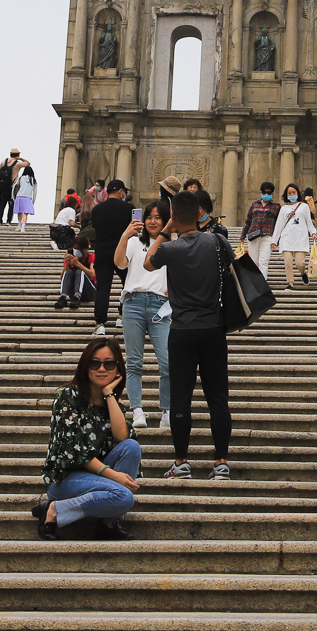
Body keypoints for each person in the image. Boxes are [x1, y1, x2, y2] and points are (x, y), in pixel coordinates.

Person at [143, 191, 233, 480]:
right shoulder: (217, 242)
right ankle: (221, 462)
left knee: (181, 397)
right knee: (218, 398)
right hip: (213, 328)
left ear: (172, 216)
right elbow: (233, 265)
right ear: (199, 213)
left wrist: (165, 231)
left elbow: (147, 263)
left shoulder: (170, 249)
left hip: (181, 330)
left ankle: (181, 462)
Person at [37, 338, 141, 540]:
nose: (101, 369)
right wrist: (114, 475)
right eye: (95, 363)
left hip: (97, 479)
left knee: (131, 447)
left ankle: (108, 523)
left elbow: (122, 437)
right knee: (123, 497)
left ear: (117, 368)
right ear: (85, 366)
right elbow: (75, 451)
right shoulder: (68, 396)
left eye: (109, 364)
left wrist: (109, 395)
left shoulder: (111, 401)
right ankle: (53, 511)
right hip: (65, 480)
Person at [114, 203, 172, 430]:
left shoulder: (172, 245)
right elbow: (119, 263)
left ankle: (166, 410)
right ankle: (137, 410)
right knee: (134, 362)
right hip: (133, 302)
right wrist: (125, 235)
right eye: (149, 217)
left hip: (160, 304)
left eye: (158, 217)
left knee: (167, 361)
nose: (152, 221)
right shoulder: (134, 242)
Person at [89, 181, 135, 333]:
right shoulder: (130, 208)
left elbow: (95, 228)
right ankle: (122, 315)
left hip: (102, 252)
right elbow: (136, 229)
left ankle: (100, 323)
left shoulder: (97, 209)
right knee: (127, 285)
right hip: (123, 252)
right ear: (120, 191)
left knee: (103, 288)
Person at [271, 186, 317, 288]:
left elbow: (309, 222)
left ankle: (303, 273)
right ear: (286, 195)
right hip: (286, 238)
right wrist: (274, 240)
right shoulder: (283, 209)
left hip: (300, 238)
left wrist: (313, 232)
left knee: (299, 263)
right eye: (289, 193)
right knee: (288, 263)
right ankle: (290, 283)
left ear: (297, 193)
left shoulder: (304, 206)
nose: (292, 195)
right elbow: (279, 225)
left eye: (294, 192)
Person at [241, 182, 281, 271]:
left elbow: (279, 224)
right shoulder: (254, 205)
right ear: (261, 192)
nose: (266, 194)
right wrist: (243, 235)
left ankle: (262, 280)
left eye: (269, 193)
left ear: (272, 193)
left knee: (264, 261)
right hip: (253, 235)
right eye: (264, 192)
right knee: (253, 262)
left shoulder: (276, 206)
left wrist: (277, 239)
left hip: (267, 236)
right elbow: (248, 221)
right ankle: (254, 279)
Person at [57, 245, 96, 310]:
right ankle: (63, 297)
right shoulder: (70, 260)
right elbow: (62, 278)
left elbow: (92, 274)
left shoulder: (90, 256)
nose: (76, 251)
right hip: (73, 294)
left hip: (89, 292)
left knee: (79, 272)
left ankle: (77, 296)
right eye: (74, 248)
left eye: (78, 249)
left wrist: (78, 264)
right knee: (68, 272)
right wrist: (66, 264)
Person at [0, 150, 22, 226]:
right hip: (12, 187)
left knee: (1, 204)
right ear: (18, 155)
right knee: (11, 204)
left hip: (3, 186)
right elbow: (28, 163)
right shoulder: (18, 163)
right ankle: (8, 221)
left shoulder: (4, 161)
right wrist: (20, 159)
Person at [11, 161, 38, 232]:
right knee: (25, 214)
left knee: (19, 212)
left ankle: (19, 225)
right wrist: (33, 200)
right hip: (28, 198)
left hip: (19, 196)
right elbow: (35, 192)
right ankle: (23, 228)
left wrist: (13, 197)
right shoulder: (33, 180)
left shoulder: (21, 178)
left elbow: (14, 187)